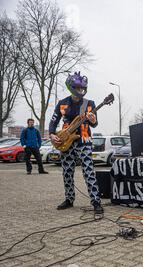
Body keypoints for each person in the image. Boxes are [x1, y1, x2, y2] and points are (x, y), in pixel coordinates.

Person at [49, 71, 103, 213]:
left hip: (84, 141)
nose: (81, 91)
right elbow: (53, 122)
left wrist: (93, 120)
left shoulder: (89, 104)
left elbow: (94, 124)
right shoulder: (62, 104)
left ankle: (96, 201)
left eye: (82, 88)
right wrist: (51, 134)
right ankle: (69, 199)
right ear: (71, 87)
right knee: (67, 172)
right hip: (66, 142)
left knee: (88, 171)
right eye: (78, 88)